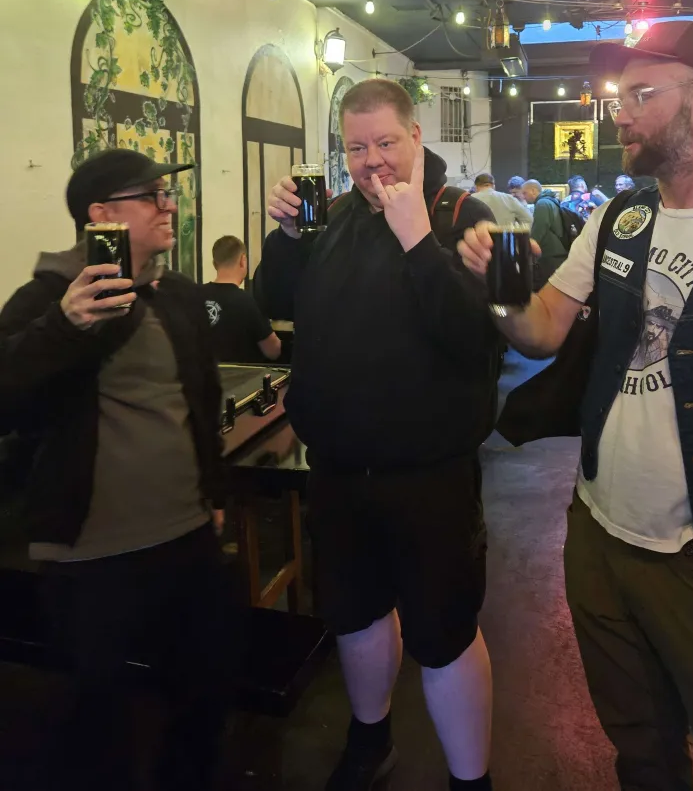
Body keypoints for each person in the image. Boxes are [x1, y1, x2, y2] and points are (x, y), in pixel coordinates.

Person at [458, 20, 693, 791]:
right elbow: (541, 332)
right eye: (617, 96)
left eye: (640, 95)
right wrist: (499, 288)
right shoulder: (616, 220)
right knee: (640, 754)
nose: (618, 114)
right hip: (600, 539)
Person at [260, 78, 497, 791]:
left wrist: (418, 239)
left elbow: (480, 344)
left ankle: (471, 780)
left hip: (430, 475)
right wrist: (286, 238)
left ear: (416, 137)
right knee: (356, 617)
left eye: (386, 142)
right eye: (357, 148)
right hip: (337, 468)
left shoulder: (464, 215)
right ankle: (369, 741)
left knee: (445, 633)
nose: (372, 161)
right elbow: (274, 306)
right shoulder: (331, 217)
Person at [0, 149, 233, 791]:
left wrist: (214, 493)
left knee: (204, 695)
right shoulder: (48, 297)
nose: (168, 206)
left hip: (188, 535)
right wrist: (65, 325)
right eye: (151, 196)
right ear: (101, 215)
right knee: (101, 720)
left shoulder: (177, 293)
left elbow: (201, 397)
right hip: (93, 554)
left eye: (168, 194)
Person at [202, 234, 282, 365]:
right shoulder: (247, 302)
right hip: (243, 376)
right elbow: (273, 351)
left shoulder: (195, 295)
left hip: (205, 376)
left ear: (214, 264)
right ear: (243, 260)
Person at [519, 179, 570, 287]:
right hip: (559, 254)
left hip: (550, 256)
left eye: (525, 193)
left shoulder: (542, 204)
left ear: (533, 191)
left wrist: (530, 244)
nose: (523, 196)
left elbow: (538, 230)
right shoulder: (551, 201)